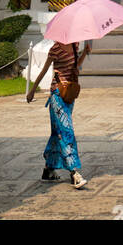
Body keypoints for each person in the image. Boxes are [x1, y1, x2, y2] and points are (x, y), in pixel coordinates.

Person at [27, 40, 91, 188]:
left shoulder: (75, 46)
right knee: (66, 131)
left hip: (69, 94)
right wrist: (32, 90)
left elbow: (75, 67)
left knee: (58, 133)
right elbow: (43, 71)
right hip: (57, 95)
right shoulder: (55, 49)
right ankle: (74, 172)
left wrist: (84, 53)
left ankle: (49, 169)